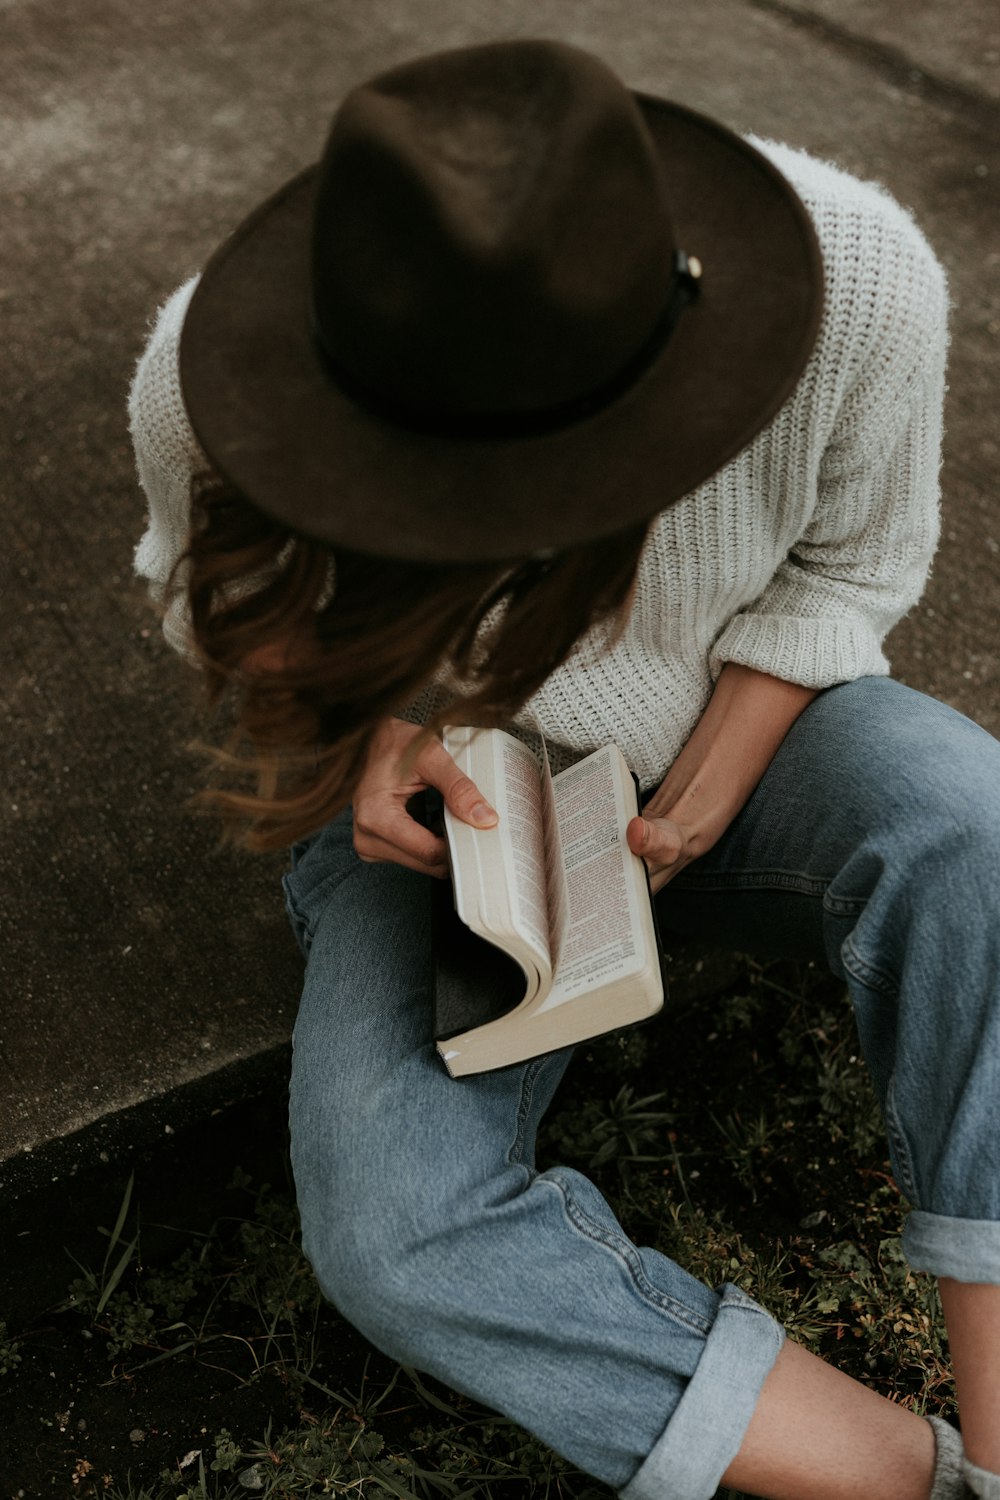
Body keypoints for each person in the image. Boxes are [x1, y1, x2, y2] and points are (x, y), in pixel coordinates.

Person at [129, 38, 1000, 1500]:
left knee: (972, 826)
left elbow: (855, 561)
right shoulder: (206, 385)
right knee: (399, 1229)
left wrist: (719, 768)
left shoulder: (862, 280)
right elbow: (201, 593)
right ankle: (911, 1480)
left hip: (759, 722)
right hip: (459, 820)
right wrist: (363, 730)